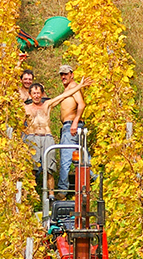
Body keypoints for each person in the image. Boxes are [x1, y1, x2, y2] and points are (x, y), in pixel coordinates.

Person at [24, 77, 93, 197]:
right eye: (34, 93)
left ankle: (51, 196)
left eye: (38, 93)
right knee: (33, 169)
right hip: (33, 137)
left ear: (42, 94)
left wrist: (80, 86)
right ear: (30, 95)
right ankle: (32, 195)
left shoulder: (47, 105)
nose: (36, 96)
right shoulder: (25, 108)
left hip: (47, 136)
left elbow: (63, 96)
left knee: (49, 168)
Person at [57, 64, 87, 197]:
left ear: (71, 75)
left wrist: (74, 122)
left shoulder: (74, 87)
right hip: (71, 127)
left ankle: (62, 191)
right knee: (84, 158)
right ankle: (96, 180)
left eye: (66, 74)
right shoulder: (69, 88)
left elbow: (81, 104)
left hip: (71, 128)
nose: (63, 77)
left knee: (65, 160)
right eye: (61, 74)